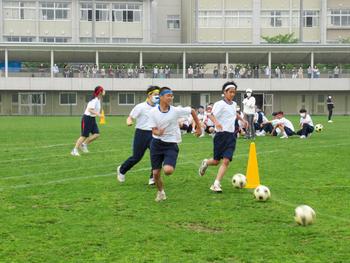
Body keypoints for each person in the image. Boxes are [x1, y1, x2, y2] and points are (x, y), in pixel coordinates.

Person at [149, 87, 202, 202]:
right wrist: (159, 132)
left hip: (171, 144)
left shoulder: (175, 110)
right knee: (156, 173)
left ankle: (167, 163)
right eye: (168, 95)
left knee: (168, 170)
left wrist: (198, 126)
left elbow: (192, 111)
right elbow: (153, 130)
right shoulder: (153, 112)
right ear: (161, 97)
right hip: (156, 144)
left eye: (172, 96)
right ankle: (161, 192)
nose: (171, 98)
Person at [198, 81, 247, 193]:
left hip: (231, 136)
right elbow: (211, 114)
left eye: (234, 92)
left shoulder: (234, 104)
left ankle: (216, 184)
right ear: (225, 92)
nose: (232, 94)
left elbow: (235, 113)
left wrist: (242, 120)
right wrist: (217, 123)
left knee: (226, 161)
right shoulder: (219, 104)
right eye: (230, 92)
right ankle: (206, 162)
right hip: (220, 135)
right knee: (216, 161)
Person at [117, 86, 160, 185]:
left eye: (159, 95)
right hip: (141, 133)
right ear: (149, 95)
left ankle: (153, 178)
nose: (157, 97)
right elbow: (130, 117)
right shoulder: (140, 107)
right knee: (137, 157)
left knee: (157, 156)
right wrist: (129, 122)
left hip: (154, 134)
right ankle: (122, 170)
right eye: (155, 94)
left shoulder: (159, 107)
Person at [71, 86, 105, 156]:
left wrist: (98, 114)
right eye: (103, 90)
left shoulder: (98, 99)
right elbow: (90, 109)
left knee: (96, 134)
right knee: (84, 135)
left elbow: (94, 109)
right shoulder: (94, 100)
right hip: (87, 118)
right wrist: (98, 114)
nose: (104, 91)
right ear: (100, 92)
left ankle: (84, 144)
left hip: (92, 119)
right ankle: (74, 150)